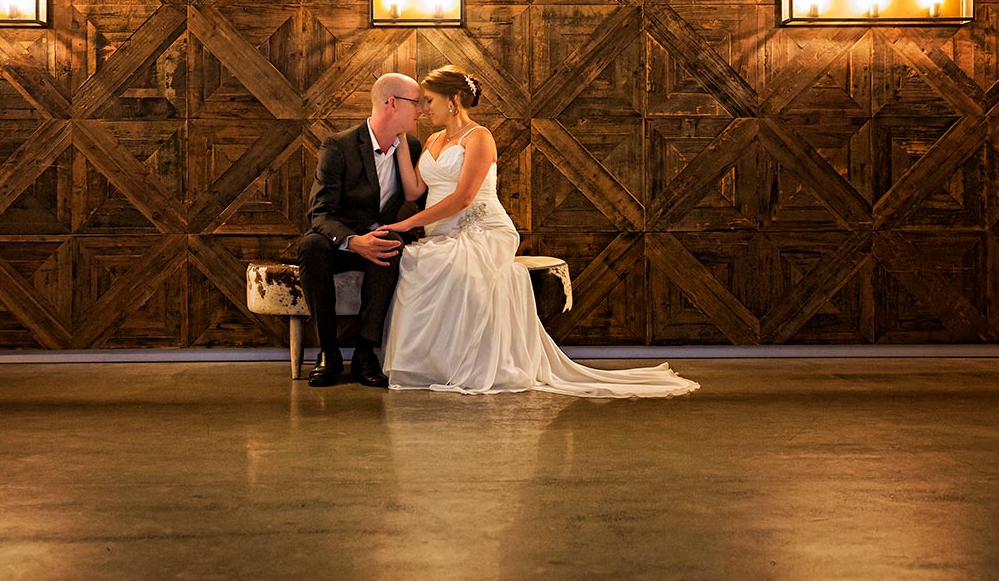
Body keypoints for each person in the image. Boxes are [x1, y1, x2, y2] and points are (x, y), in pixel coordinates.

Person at [380, 65, 699, 398]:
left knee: (454, 269)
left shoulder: (479, 137)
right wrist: (402, 139)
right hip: (440, 232)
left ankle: (465, 365)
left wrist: (406, 225)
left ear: (453, 99)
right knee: (417, 266)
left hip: (482, 229)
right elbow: (415, 190)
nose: (423, 108)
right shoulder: (432, 139)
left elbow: (463, 198)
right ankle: (434, 365)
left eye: (429, 100)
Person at [298, 72, 425, 387]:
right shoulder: (339, 146)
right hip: (341, 242)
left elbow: (421, 200)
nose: (422, 110)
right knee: (311, 246)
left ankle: (366, 352)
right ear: (391, 103)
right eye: (416, 103)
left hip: (381, 238)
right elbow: (320, 211)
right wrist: (352, 241)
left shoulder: (411, 145)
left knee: (391, 242)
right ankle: (328, 351)